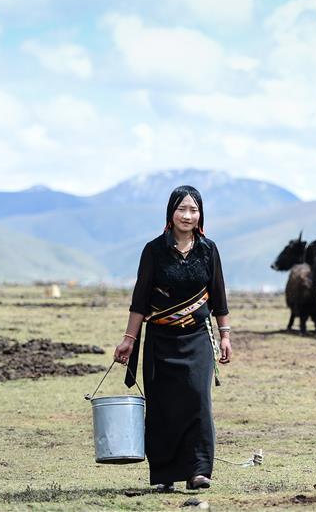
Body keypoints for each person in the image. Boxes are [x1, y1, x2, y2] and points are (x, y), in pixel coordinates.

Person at [113, 185, 232, 492]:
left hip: (197, 340)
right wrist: (129, 339)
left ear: (200, 215)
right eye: (182, 209)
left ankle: (198, 471)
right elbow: (140, 300)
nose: (187, 215)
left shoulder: (209, 250)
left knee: (197, 401)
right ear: (171, 213)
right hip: (159, 340)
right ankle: (164, 474)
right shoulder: (154, 250)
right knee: (162, 405)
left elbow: (218, 295)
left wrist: (226, 335)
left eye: (193, 210)